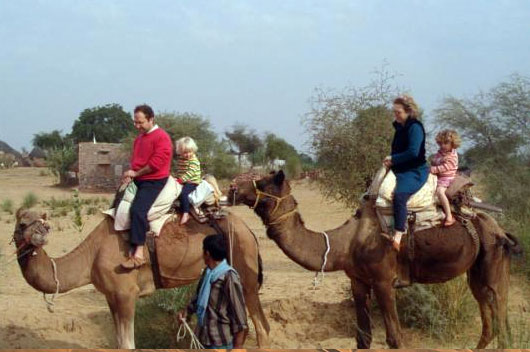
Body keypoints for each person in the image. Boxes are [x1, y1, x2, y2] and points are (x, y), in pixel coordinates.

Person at [120, 104, 173, 269]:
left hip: (154, 180)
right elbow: (136, 161)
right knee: (118, 204)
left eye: (140, 122)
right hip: (139, 178)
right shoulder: (139, 139)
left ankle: (139, 252)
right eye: (135, 122)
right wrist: (130, 174)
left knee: (138, 210)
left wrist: (136, 174)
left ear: (151, 119)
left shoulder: (162, 137)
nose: (137, 126)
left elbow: (155, 164)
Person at [178, 234, 248, 349]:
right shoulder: (207, 273)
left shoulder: (229, 276)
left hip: (220, 342)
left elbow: (240, 318)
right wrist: (186, 312)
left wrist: (238, 348)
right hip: (203, 339)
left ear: (207, 254)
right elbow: (198, 298)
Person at [383, 95, 429, 252]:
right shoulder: (400, 127)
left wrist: (393, 159)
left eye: (398, 112)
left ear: (409, 111)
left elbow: (413, 152)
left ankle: (398, 233)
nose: (395, 115)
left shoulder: (415, 127)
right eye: (394, 112)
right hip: (399, 169)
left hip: (414, 171)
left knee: (400, 196)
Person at [431, 129, 461, 227]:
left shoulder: (452, 155)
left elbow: (445, 168)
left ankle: (449, 216)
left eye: (446, 143)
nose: (443, 145)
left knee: (440, 192)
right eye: (441, 143)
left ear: (453, 143)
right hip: (438, 176)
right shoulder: (440, 152)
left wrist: (433, 169)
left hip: (447, 178)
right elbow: (434, 160)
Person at [175, 136, 201, 225]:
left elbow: (190, 173)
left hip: (192, 181)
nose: (188, 154)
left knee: (183, 193)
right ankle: (180, 208)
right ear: (180, 152)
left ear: (193, 150)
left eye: (190, 151)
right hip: (184, 180)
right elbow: (180, 171)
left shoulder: (194, 160)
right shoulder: (181, 160)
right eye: (185, 152)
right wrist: (176, 178)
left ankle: (186, 213)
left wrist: (180, 180)